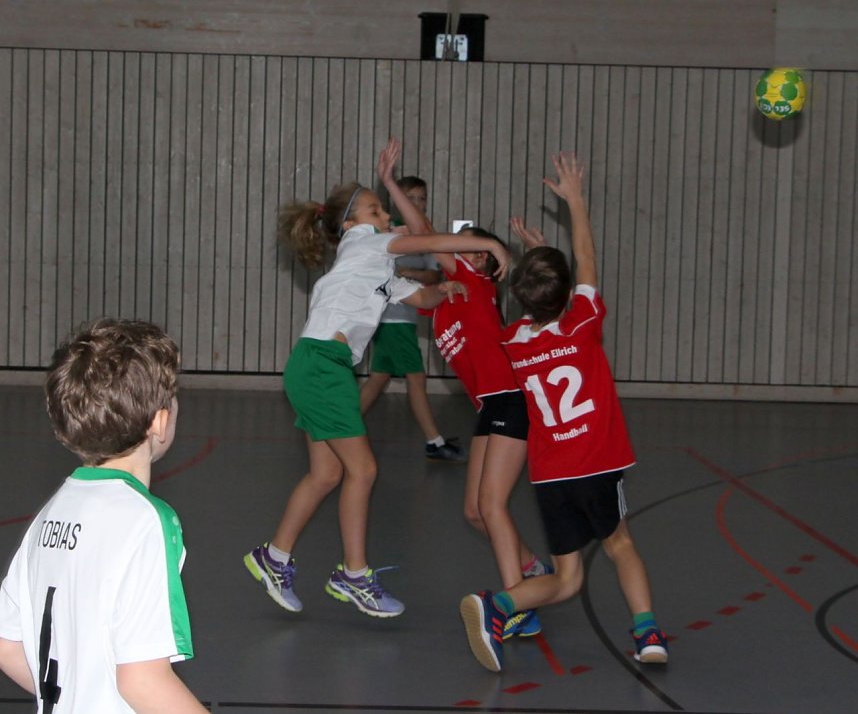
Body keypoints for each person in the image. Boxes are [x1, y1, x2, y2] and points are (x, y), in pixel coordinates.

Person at [244, 137, 510, 618]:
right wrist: (485, 242)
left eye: (384, 212)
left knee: (327, 473)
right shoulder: (365, 243)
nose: (384, 216)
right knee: (362, 470)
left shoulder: (378, 267)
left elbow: (422, 299)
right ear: (350, 224)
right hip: (322, 364)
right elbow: (426, 241)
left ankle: (273, 556)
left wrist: (446, 290)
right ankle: (354, 575)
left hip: (317, 365)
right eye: (374, 209)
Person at [459, 153, 668, 672]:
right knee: (620, 545)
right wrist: (575, 202)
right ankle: (648, 634)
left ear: (521, 296)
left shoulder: (515, 342)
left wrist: (535, 263)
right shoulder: (582, 323)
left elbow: (547, 293)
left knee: (567, 577)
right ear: (566, 293)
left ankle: (500, 604)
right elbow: (586, 263)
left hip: (551, 476)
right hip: (596, 463)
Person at [0, 319, 207, 713]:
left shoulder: (51, 514)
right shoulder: (148, 522)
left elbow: (7, 645)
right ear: (159, 422)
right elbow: (143, 680)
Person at [431, 226, 552, 640]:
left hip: (511, 400)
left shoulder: (475, 281)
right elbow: (419, 253)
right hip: (488, 406)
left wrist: (391, 187)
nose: (467, 254)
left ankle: (519, 605)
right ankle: (534, 569)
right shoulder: (446, 295)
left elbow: (425, 235)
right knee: (474, 512)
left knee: (492, 504)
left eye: (478, 250)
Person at [360, 175, 465, 463]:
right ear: (398, 201)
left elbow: (434, 274)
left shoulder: (423, 234)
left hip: (407, 314)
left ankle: (345, 429)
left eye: (422, 199)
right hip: (391, 318)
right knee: (416, 377)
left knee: (379, 377)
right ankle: (434, 441)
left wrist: (410, 273)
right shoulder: (386, 233)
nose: (417, 204)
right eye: (411, 198)